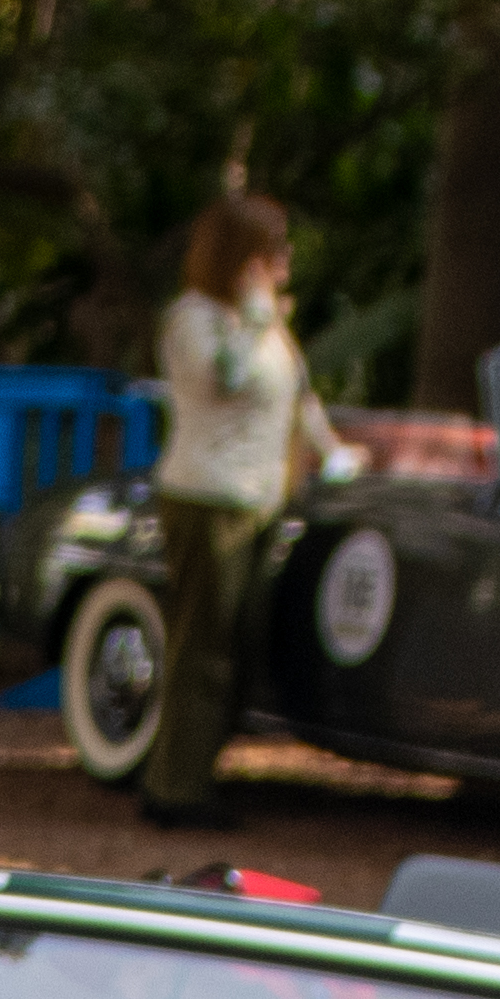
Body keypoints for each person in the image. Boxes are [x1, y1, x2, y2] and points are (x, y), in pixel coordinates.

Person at [140, 190, 344, 830]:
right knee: (204, 644)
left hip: (259, 500)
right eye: (271, 251)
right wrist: (255, 321)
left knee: (242, 641)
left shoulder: (265, 322)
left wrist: (334, 454)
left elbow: (299, 396)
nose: (284, 262)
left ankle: (197, 767)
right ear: (241, 258)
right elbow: (223, 380)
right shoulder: (192, 319)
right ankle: (174, 788)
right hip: (206, 498)